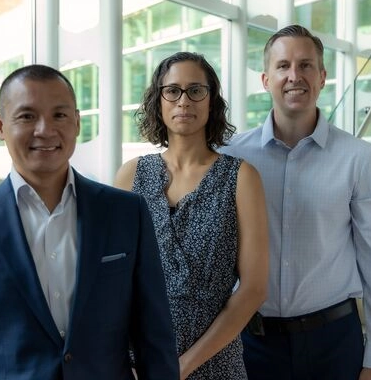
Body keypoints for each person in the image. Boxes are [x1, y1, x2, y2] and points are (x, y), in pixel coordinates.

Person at [0, 64, 179, 380]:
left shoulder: (126, 212)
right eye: (26, 116)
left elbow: (155, 342)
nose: (45, 130)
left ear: (77, 122)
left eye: (59, 115)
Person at [220, 25, 371, 380]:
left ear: (322, 77)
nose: (294, 76)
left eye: (305, 66)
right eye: (283, 65)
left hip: (333, 342)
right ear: (265, 78)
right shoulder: (231, 156)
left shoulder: (358, 158)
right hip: (250, 344)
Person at [114, 51, 269, 380]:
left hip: (216, 363)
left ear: (211, 101)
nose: (184, 100)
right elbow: (114, 280)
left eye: (196, 90)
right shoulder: (130, 176)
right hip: (138, 364)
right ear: (159, 101)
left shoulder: (241, 178)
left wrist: (182, 367)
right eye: (172, 91)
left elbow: (254, 288)